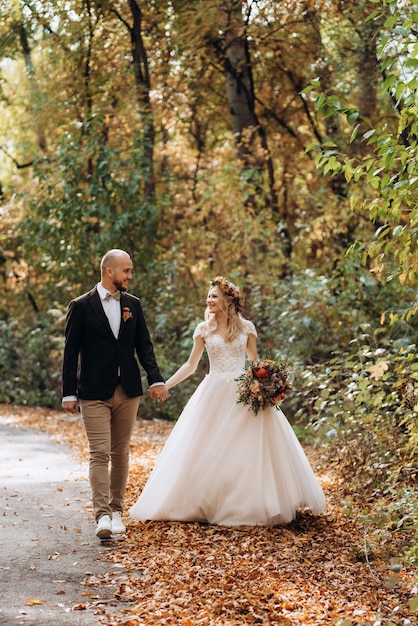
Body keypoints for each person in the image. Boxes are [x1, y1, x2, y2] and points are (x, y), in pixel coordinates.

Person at [129, 276, 326, 526]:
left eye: (214, 296)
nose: (208, 300)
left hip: (243, 392)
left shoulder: (247, 329)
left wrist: (269, 386)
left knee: (245, 448)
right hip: (213, 391)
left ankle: (246, 504)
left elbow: (255, 364)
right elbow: (191, 365)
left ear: (228, 301)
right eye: (208, 296)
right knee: (206, 446)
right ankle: (204, 501)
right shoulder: (204, 329)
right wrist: (165, 384)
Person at [62, 249, 168, 540]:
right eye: (126, 271)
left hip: (128, 390)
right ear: (109, 271)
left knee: (120, 453)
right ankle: (102, 517)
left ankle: (117, 511)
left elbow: (144, 346)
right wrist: (68, 392)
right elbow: (70, 352)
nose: (130, 276)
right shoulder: (81, 306)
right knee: (99, 453)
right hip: (93, 392)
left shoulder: (133, 304)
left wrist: (156, 379)